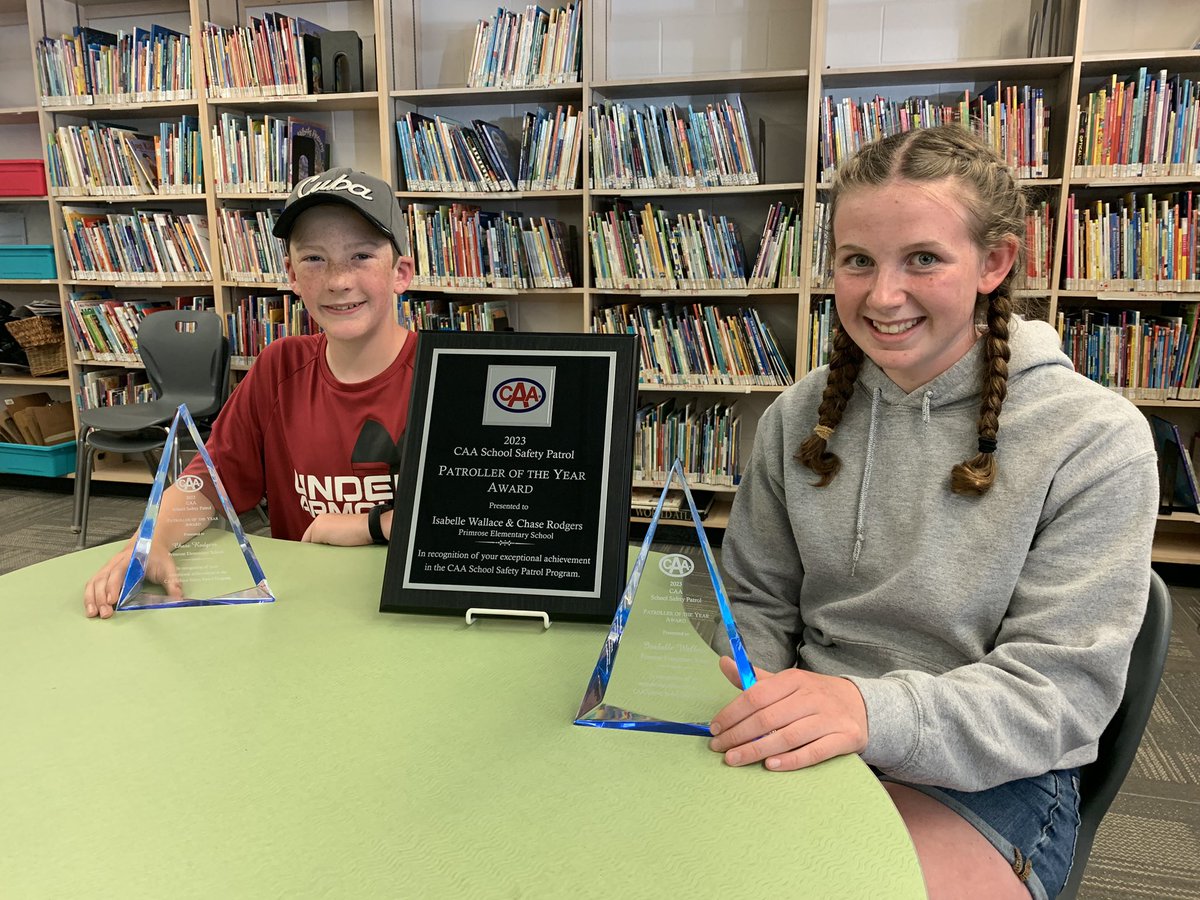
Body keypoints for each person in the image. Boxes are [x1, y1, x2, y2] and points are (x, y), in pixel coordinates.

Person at [708, 125, 1158, 900]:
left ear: (995, 262)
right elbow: (755, 600)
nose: (883, 295)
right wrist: (749, 684)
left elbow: (1058, 695)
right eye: (857, 261)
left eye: (923, 258)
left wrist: (868, 711)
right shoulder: (796, 416)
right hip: (814, 721)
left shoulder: (1096, 439)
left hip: (994, 773)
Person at [84, 168, 417, 618]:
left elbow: (488, 516)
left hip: (409, 606)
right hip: (304, 607)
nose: (339, 280)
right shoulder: (278, 367)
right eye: (315, 259)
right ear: (292, 276)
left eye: (360, 256)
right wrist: (151, 540)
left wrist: (368, 526)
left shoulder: (443, 376)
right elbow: (208, 481)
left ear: (400, 272)